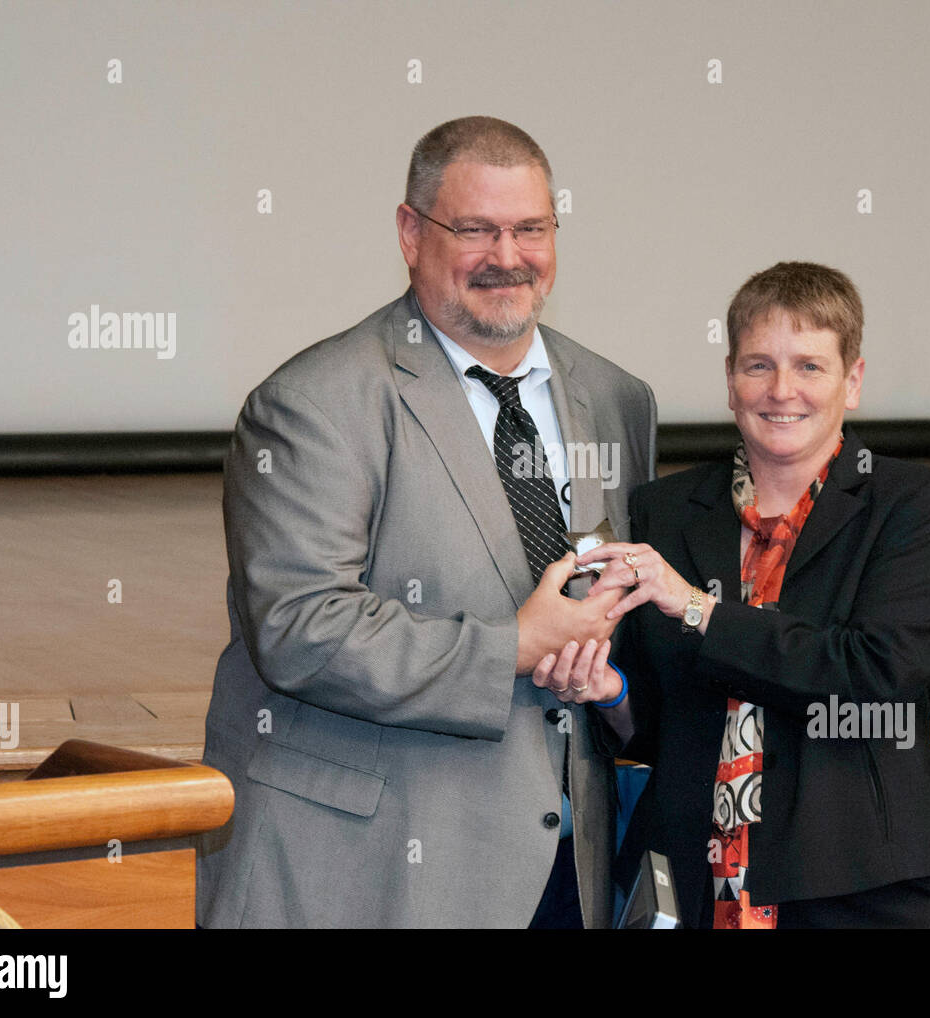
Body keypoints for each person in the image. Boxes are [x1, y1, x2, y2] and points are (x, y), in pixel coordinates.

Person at [196, 116, 657, 928]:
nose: (507, 257)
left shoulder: (618, 399)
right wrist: (514, 646)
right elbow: (300, 628)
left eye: (530, 229)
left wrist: (615, 685)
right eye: (475, 229)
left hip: (562, 875)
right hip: (366, 880)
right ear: (411, 233)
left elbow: (632, 623)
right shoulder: (314, 404)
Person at [534, 262, 930, 928]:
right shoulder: (666, 511)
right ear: (730, 380)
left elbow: (870, 673)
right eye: (758, 365)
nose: (782, 391)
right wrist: (609, 692)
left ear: (852, 381)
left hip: (858, 888)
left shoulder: (914, 505)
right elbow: (663, 723)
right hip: (690, 884)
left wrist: (699, 608)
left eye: (810, 367)